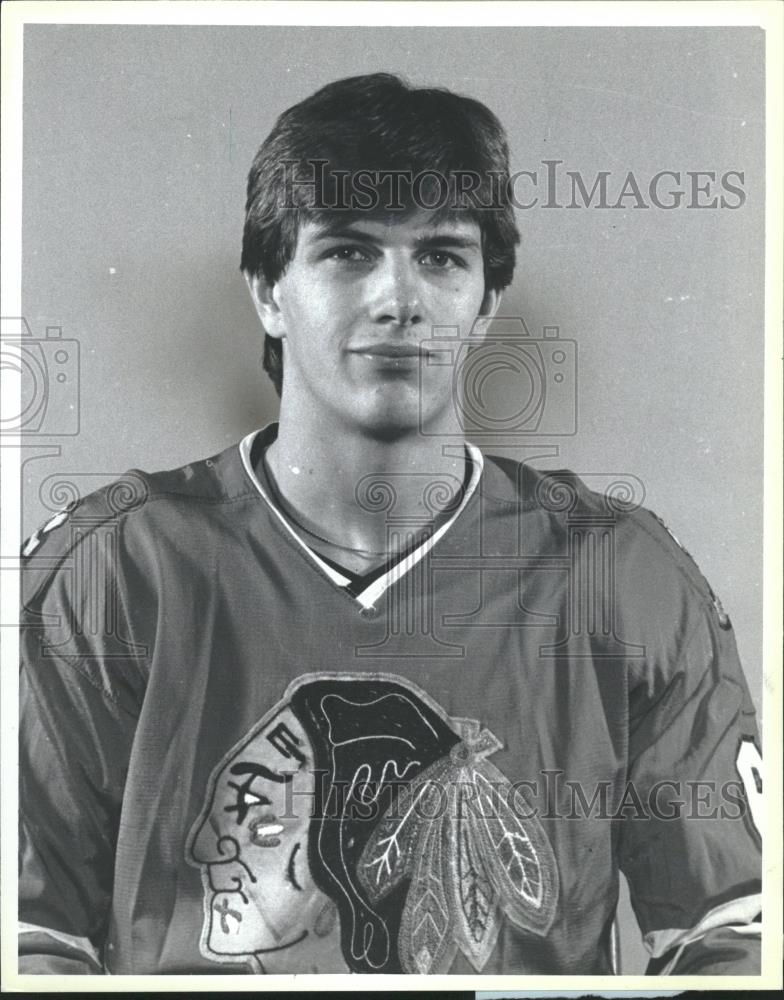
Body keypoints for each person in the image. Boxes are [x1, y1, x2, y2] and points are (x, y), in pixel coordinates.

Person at [19, 72, 762, 975]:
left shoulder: (618, 573)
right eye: (348, 252)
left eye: (442, 257)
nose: (396, 299)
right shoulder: (116, 566)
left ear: (487, 302)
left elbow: (733, 937)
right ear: (265, 289)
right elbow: (29, 936)